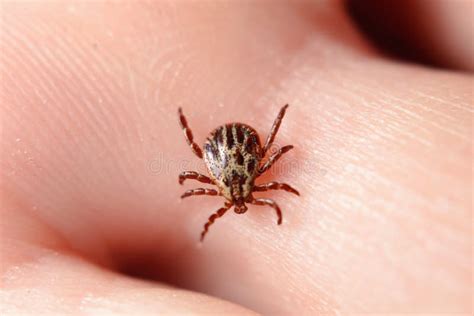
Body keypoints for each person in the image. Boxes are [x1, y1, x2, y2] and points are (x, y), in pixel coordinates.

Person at [1, 1, 471, 314]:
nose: (243, 201)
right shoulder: (255, 182)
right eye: (244, 197)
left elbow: (211, 169)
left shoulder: (223, 188)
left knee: (203, 156)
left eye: (239, 199)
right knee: (237, 149)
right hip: (233, 145)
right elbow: (269, 164)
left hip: (225, 146)